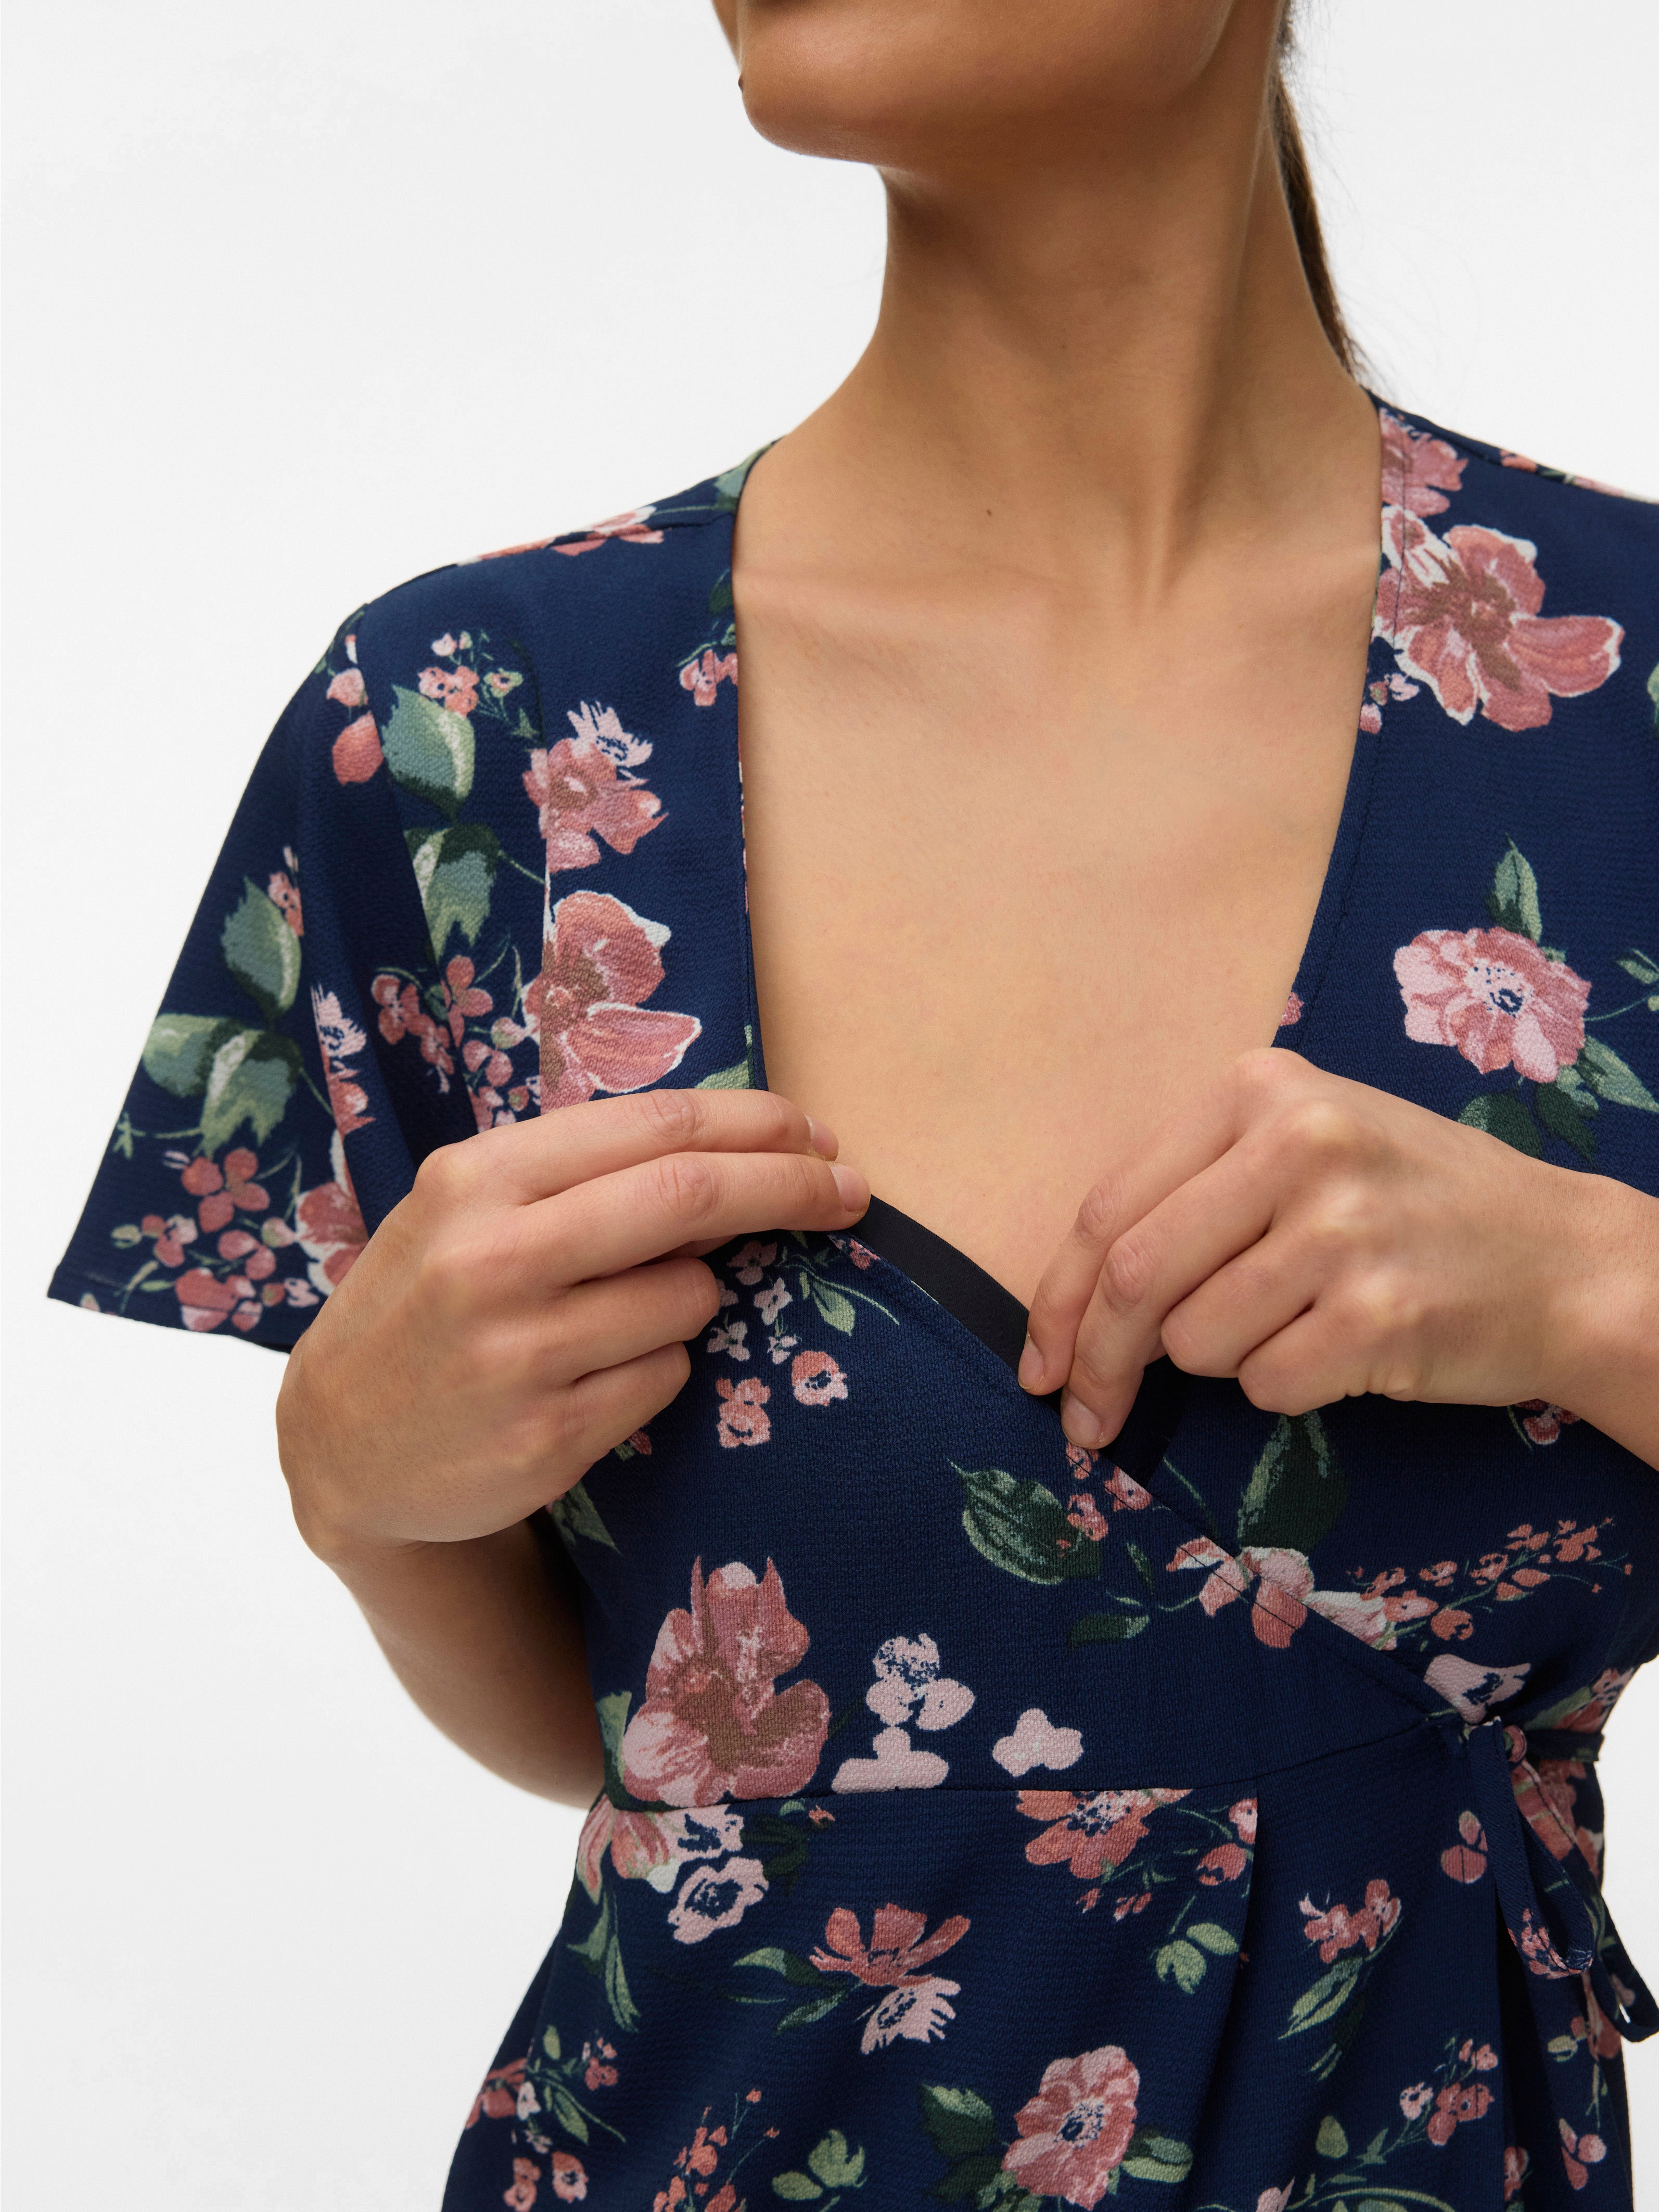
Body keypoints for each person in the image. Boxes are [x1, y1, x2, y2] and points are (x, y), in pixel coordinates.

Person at [50, 0, 1659, 2204]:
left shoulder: (1621, 699)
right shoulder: (463, 737)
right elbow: (674, 1753)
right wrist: (355, 1488)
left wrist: (1596, 1288)